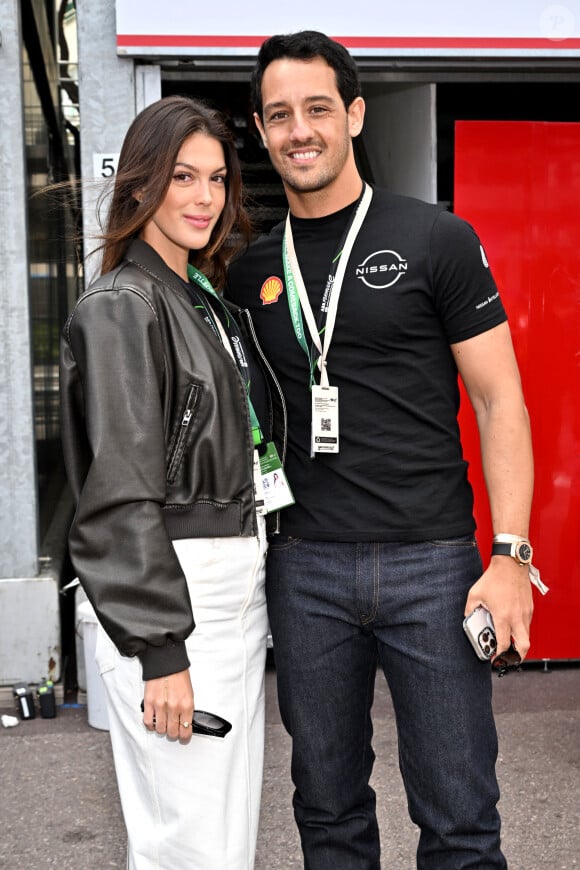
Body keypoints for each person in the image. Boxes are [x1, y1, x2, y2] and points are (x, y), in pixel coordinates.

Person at [226, 31, 541, 869]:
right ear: (260, 130)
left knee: (461, 818)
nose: (301, 130)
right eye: (280, 114)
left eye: (318, 109)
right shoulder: (250, 270)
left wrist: (509, 556)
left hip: (431, 566)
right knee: (326, 812)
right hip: (305, 572)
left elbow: (499, 400)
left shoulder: (436, 237)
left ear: (355, 114)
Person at [60, 95, 287, 869]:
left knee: (219, 840)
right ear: (138, 187)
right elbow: (117, 491)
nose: (203, 198)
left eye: (217, 179)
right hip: (176, 595)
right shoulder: (124, 304)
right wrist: (160, 651)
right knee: (188, 845)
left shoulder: (197, 295)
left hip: (226, 586)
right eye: (181, 176)